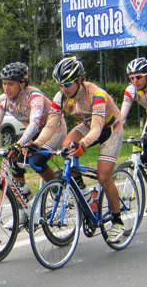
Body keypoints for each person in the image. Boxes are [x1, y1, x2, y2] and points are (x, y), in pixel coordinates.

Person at [33, 56, 124, 243]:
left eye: (67, 84)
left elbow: (97, 128)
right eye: (60, 84)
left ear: (79, 80)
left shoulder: (96, 94)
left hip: (110, 128)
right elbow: (51, 125)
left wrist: (82, 145)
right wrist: (37, 144)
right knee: (67, 145)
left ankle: (117, 220)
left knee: (104, 176)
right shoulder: (61, 97)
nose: (63, 89)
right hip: (88, 124)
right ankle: (83, 191)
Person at [0, 62, 66, 228]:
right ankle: (22, 209)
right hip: (33, 133)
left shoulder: (34, 96)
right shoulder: (3, 101)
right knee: (12, 159)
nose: (6, 88)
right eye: (4, 83)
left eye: (10, 84)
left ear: (22, 83)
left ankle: (59, 196)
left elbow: (34, 123)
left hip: (54, 129)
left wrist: (19, 144)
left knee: (37, 161)